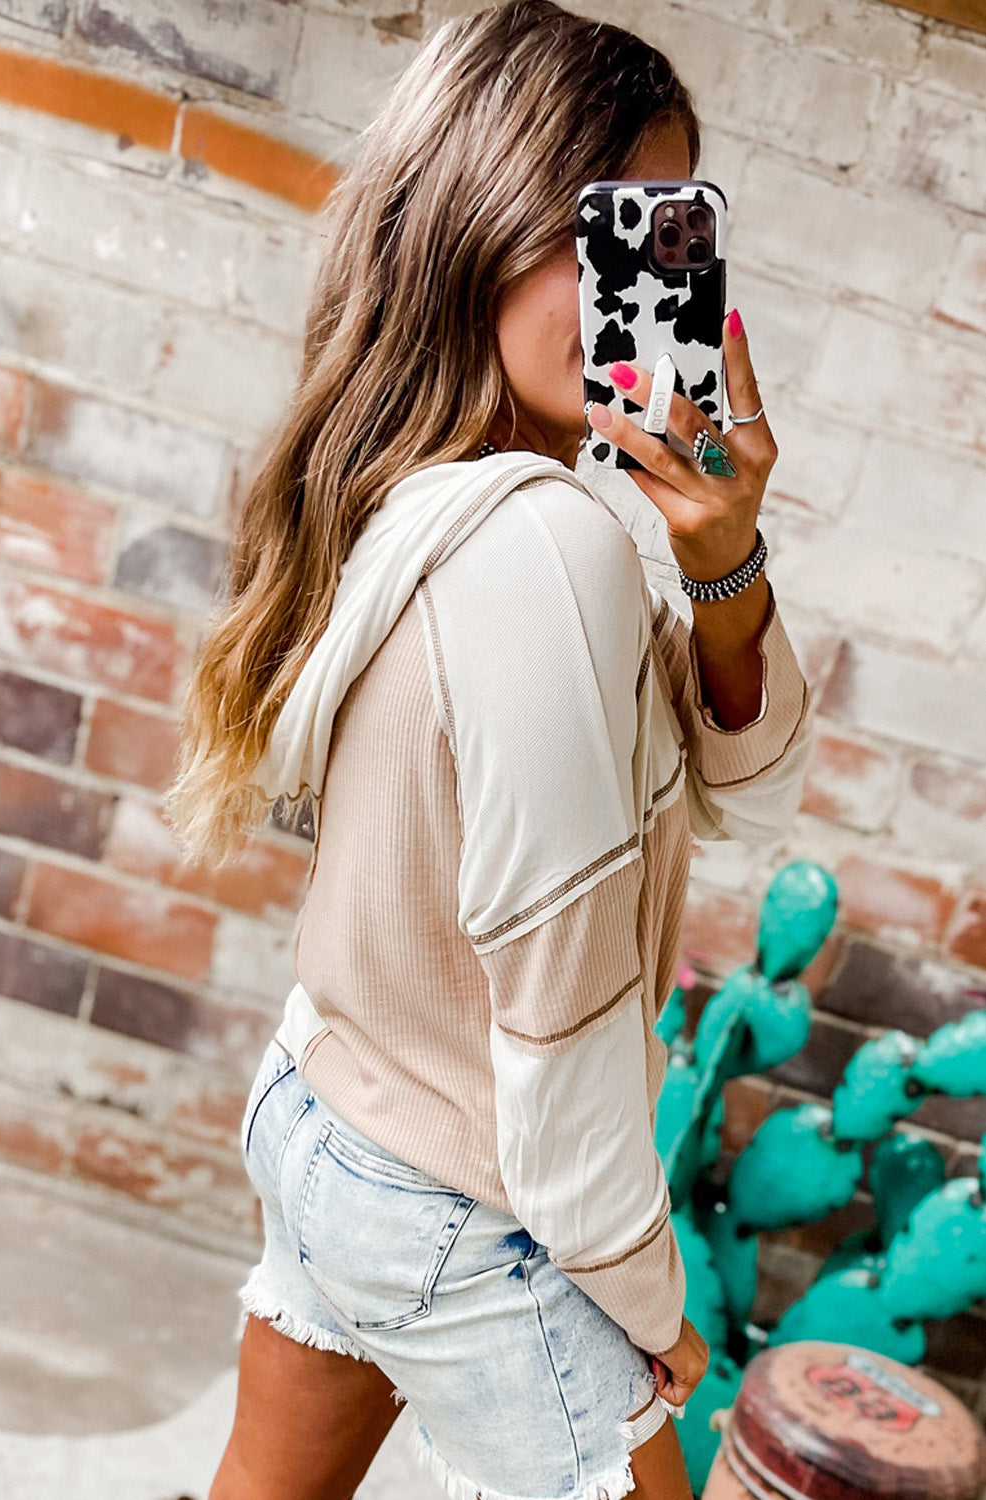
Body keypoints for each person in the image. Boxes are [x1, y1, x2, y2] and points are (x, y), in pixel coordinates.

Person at [164, 3, 815, 1497]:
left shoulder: (422, 488)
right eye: (595, 225)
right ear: (484, 211)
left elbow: (744, 770)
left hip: (327, 1107)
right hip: (471, 1186)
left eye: (659, 235)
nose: (625, 284)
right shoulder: (542, 545)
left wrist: (719, 557)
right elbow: (559, 999)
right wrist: (647, 1296)